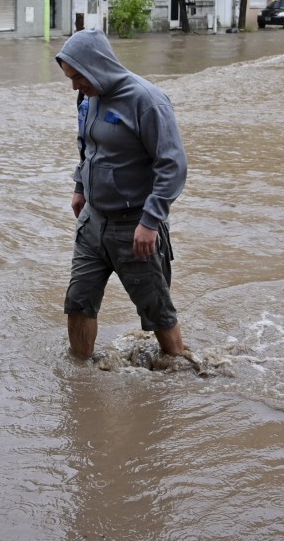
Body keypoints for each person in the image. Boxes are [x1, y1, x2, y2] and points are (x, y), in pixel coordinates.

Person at [56, 28, 188, 359]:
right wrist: (79, 187)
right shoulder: (89, 96)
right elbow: (86, 146)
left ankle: (179, 372)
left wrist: (151, 221)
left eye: (78, 77)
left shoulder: (148, 100)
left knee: (156, 309)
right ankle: (80, 378)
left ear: (97, 65)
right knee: (79, 301)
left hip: (135, 226)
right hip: (93, 221)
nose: (75, 86)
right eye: (71, 78)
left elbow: (172, 166)